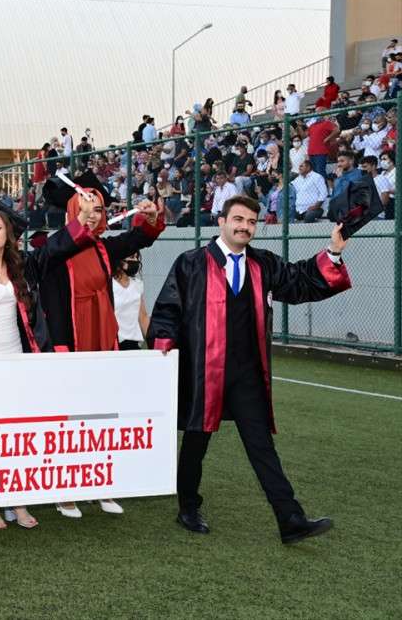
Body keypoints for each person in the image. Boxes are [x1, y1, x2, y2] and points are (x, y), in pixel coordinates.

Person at [148, 195, 351, 544]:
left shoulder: (263, 264)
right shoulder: (191, 263)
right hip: (204, 371)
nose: (245, 227)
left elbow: (301, 281)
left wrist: (333, 252)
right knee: (196, 441)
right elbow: (168, 308)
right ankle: (188, 508)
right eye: (238, 220)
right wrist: (163, 345)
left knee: (261, 447)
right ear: (221, 222)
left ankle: (290, 519)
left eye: (252, 222)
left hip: (247, 374)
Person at [0, 198, 90, 529]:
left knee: (17, 435)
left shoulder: (22, 267)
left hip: (19, 361)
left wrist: (82, 217)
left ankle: (17, 501)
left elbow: (54, 249)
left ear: (8, 234)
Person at [39, 173, 165, 518]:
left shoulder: (102, 248)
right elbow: (53, 298)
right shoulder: (52, 249)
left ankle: (99, 485)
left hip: (101, 334)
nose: (92, 215)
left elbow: (139, 237)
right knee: (68, 416)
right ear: (71, 210)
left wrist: (150, 218)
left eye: (97, 209)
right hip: (70, 338)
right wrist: (60, 346)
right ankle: (64, 492)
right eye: (85, 208)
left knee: (101, 411)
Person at [112, 252, 148, 350]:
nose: (135, 261)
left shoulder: (137, 284)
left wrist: (154, 342)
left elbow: (143, 317)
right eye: (132, 257)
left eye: (136, 257)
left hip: (133, 344)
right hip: (115, 344)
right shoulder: (109, 285)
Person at [306, 109, 339, 177]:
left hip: (320, 152)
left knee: (320, 172)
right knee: (314, 173)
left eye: (319, 112)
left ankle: (324, 184)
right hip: (311, 152)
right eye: (316, 112)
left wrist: (327, 138)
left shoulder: (327, 123)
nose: (317, 114)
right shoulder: (312, 125)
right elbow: (307, 135)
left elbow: (336, 130)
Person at [375, 151, 396, 218]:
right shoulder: (381, 173)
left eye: (384, 159)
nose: (382, 161)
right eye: (381, 160)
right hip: (380, 201)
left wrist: (386, 191)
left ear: (392, 161)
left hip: (392, 202)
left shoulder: (397, 172)